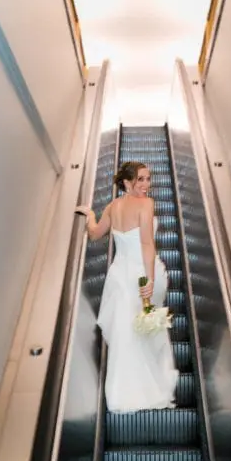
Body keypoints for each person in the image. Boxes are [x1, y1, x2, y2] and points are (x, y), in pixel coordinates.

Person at [75, 161, 178, 413]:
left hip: (120, 276)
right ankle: (150, 387)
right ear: (126, 182)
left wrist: (90, 215)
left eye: (148, 179)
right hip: (142, 273)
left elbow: (95, 234)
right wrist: (150, 279)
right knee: (145, 328)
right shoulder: (146, 204)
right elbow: (147, 244)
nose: (146, 184)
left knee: (126, 331)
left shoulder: (112, 206)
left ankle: (122, 393)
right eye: (140, 179)